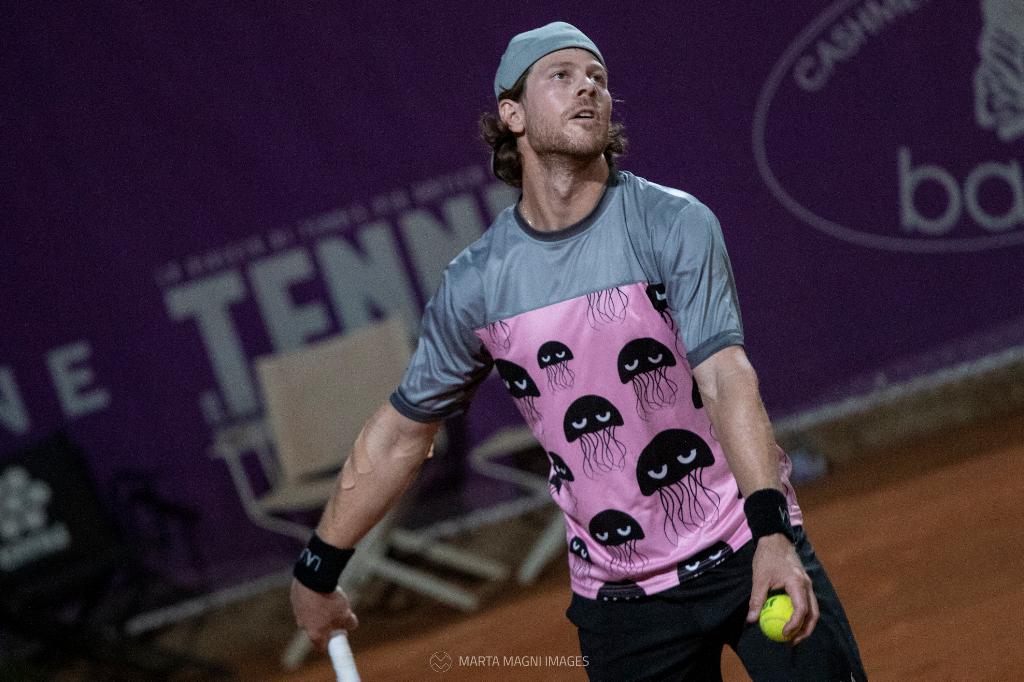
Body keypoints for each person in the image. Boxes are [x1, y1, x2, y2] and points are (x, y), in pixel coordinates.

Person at [290, 21, 867, 681]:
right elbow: (402, 435)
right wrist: (319, 567)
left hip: (744, 548)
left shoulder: (673, 223)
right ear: (512, 115)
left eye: (597, 77)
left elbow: (725, 377)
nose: (587, 87)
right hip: (622, 604)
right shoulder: (476, 285)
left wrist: (772, 532)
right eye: (560, 76)